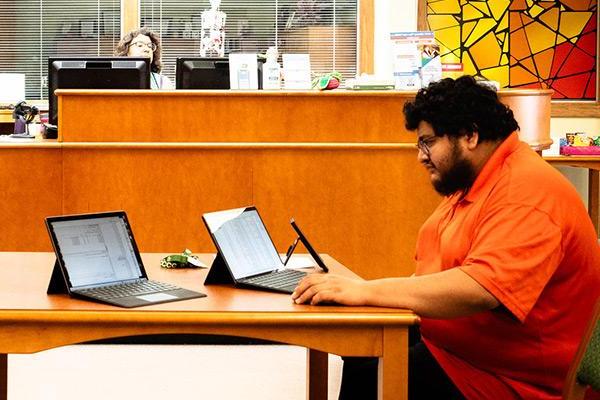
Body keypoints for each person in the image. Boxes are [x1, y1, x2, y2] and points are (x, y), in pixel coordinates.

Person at [292, 76, 600, 399]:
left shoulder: (527, 191)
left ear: (470, 134)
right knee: (363, 352)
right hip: (459, 351)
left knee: (370, 375)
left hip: (509, 380)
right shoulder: (477, 180)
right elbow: (440, 266)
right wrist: (367, 293)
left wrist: (365, 291)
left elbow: (480, 288)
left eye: (429, 142)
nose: (421, 156)